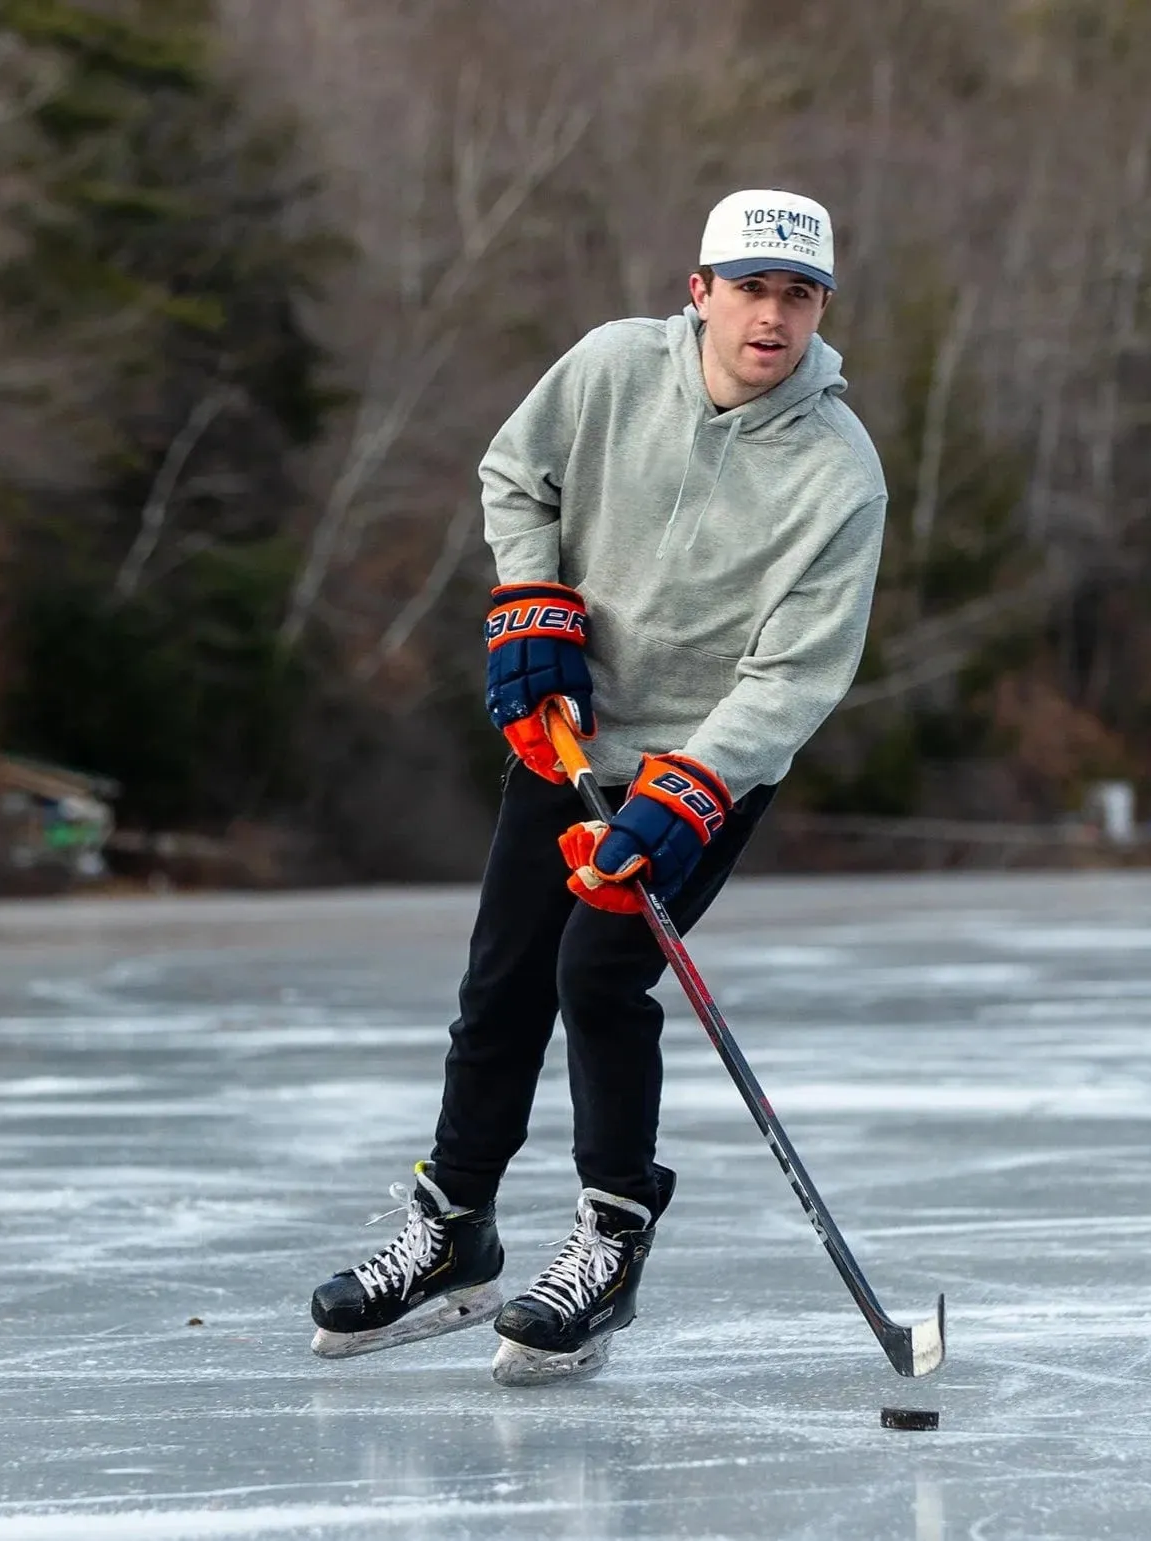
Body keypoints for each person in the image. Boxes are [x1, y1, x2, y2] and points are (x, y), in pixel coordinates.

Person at [309, 189, 888, 1385]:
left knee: (598, 971)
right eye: (747, 288)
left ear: (820, 308)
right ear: (700, 290)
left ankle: (610, 1236)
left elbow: (797, 669)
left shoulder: (838, 473)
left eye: (795, 294)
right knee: (503, 979)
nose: (768, 315)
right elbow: (515, 474)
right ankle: (453, 1227)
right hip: (569, 739)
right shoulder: (609, 369)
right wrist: (531, 604)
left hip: (700, 773)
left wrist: (694, 787)